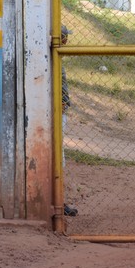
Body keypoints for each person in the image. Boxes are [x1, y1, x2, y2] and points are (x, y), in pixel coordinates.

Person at [59, 24, 78, 217]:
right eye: (65, 37)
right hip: (55, 112)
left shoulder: (56, 58)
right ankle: (58, 202)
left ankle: (58, 201)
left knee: (58, 157)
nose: (67, 41)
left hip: (58, 110)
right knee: (58, 158)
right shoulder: (53, 59)